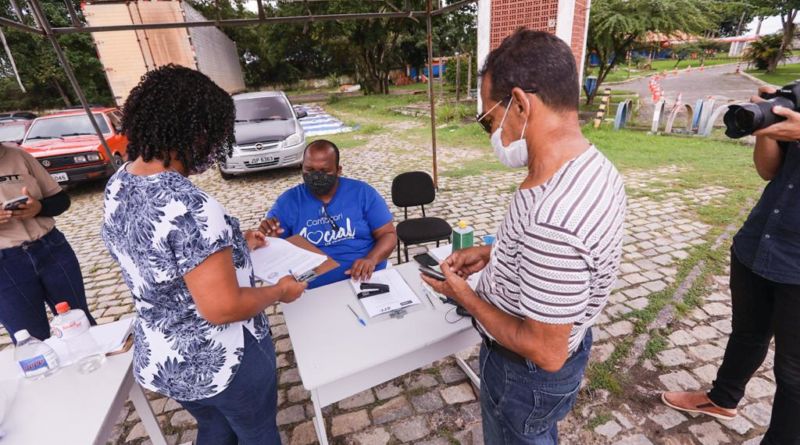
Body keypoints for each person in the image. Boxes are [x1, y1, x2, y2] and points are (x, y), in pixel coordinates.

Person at [421, 30, 627, 444]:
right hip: (564, 347)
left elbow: (545, 351)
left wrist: (467, 298)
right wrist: (495, 252)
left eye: (489, 122)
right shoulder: (593, 166)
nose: (492, 135)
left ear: (520, 104)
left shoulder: (554, 218)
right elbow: (563, 260)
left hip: (524, 375)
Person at [101, 65, 307, 445]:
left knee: (214, 427)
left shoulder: (121, 181)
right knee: (257, 433)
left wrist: (236, 241)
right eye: (215, 135)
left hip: (165, 356)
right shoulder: (191, 205)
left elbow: (166, 255)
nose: (215, 146)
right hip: (223, 361)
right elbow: (223, 307)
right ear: (195, 131)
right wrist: (280, 291)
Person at [662, 87, 800, 445]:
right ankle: (723, 399)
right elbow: (768, 171)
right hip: (760, 243)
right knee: (747, 334)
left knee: (794, 373)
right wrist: (765, 127)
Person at [259, 139, 397, 288]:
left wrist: (371, 260)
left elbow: (388, 234)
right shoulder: (288, 202)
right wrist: (270, 240)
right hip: (313, 284)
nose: (316, 176)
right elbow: (272, 248)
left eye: (324, 171)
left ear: (338, 170)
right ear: (302, 168)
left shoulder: (362, 192)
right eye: (310, 170)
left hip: (367, 277)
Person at [0, 142, 95, 342]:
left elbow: (62, 200)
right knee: (32, 340)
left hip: (51, 249)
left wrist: (39, 207)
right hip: (6, 266)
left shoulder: (18, 155)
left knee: (80, 323)